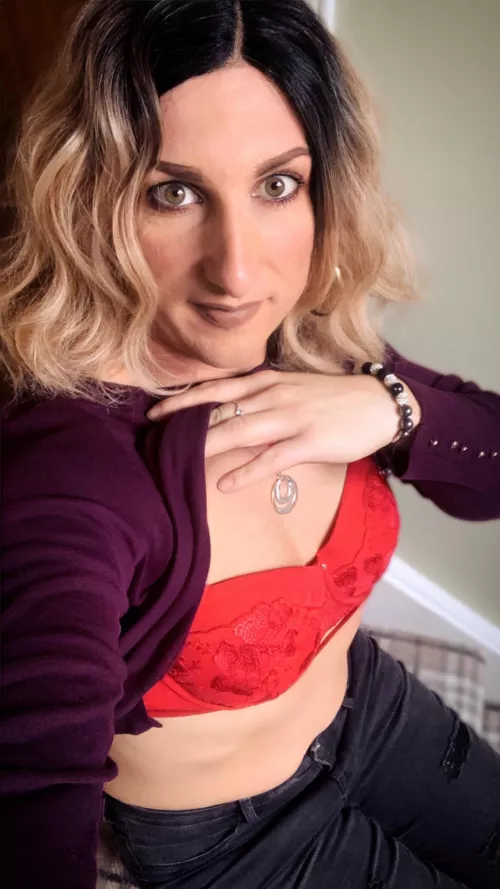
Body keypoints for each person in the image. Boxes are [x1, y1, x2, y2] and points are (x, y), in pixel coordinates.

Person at [1, 2, 499, 888]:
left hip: (372, 708)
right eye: (174, 192)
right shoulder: (67, 479)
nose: (237, 273)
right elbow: (31, 788)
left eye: (277, 185)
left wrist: (393, 408)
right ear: (90, 200)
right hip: (234, 833)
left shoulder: (313, 339)